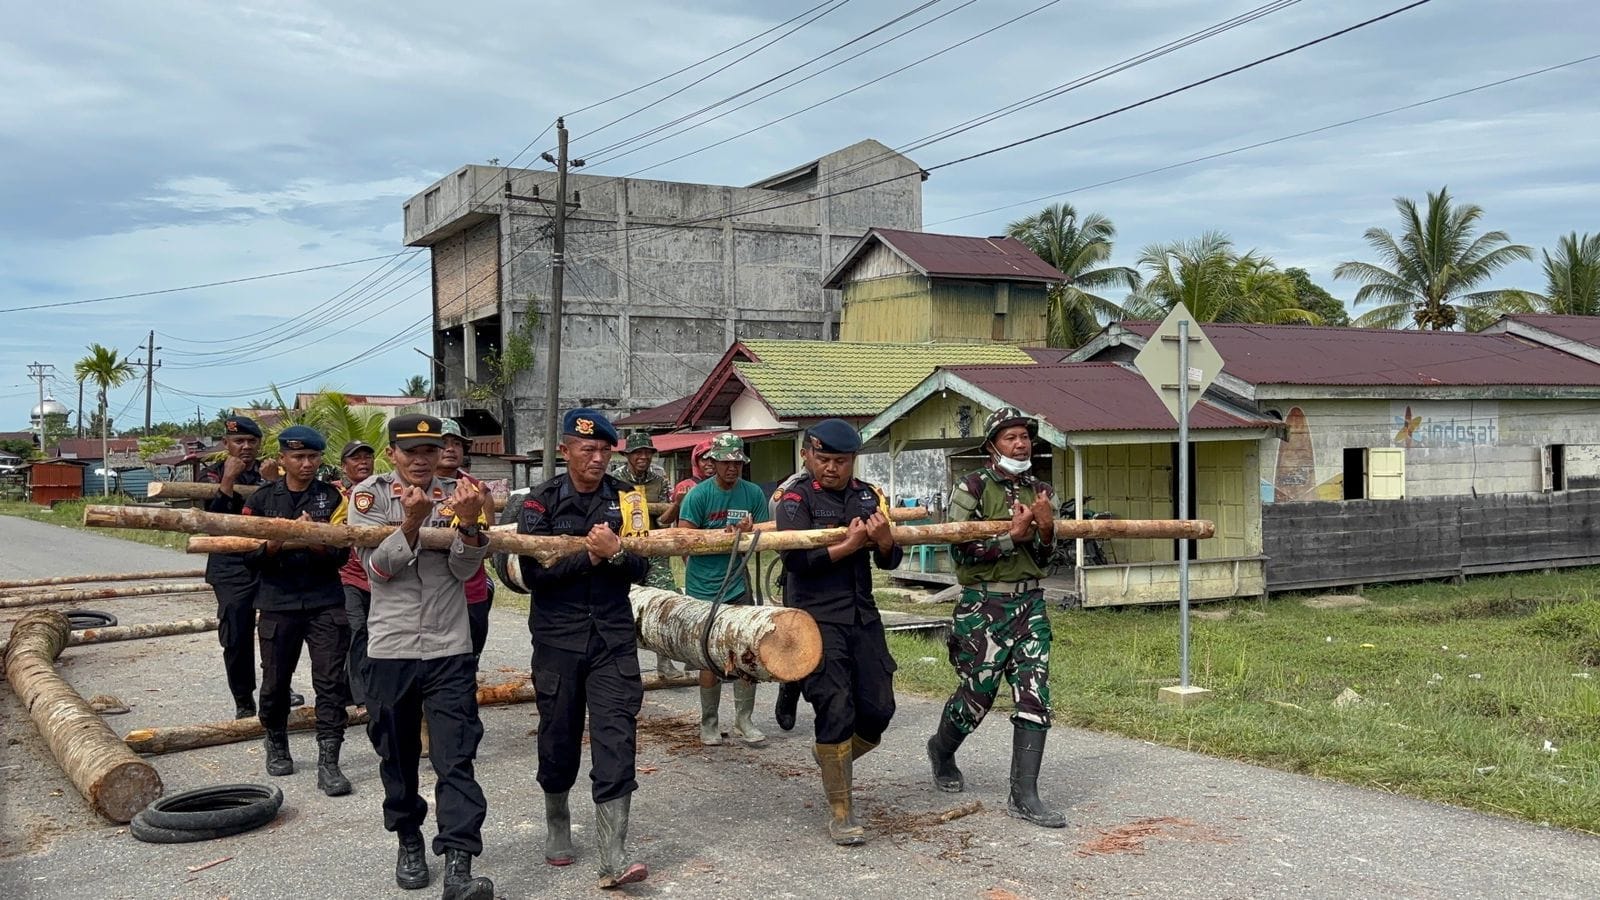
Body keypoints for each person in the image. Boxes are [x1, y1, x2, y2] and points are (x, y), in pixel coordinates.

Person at [350, 414, 495, 900]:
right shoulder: (367, 497)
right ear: (391, 453)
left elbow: (463, 567)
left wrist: (470, 524)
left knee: (456, 756)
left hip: (448, 646)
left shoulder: (460, 493)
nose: (420, 460)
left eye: (429, 451)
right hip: (391, 647)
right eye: (410, 451)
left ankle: (458, 860)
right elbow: (379, 569)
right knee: (397, 754)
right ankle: (408, 837)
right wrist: (411, 523)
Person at [516, 408, 650, 889]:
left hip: (612, 639)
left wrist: (615, 554)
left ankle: (613, 854)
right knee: (558, 736)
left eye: (604, 450)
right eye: (586, 449)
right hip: (558, 639)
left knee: (618, 737)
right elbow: (533, 574)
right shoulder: (540, 503)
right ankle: (557, 821)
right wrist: (588, 555)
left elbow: (641, 568)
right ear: (565, 450)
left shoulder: (628, 500)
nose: (596, 458)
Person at [925, 406, 1066, 829]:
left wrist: (1043, 531)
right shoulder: (970, 487)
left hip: (1031, 606)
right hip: (983, 607)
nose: (1020, 443)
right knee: (977, 697)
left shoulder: (1042, 490)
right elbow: (958, 550)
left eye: (1024, 436)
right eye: (1010, 437)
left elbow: (1047, 558)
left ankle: (1025, 794)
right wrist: (1010, 539)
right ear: (992, 446)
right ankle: (941, 750)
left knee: (1035, 695)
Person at [774, 419, 901, 846]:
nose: (831, 468)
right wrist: (847, 548)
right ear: (808, 455)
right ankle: (841, 810)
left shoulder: (868, 496)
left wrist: (883, 542)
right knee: (837, 707)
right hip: (815, 618)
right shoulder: (794, 499)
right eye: (824, 459)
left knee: (880, 709)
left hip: (862, 616)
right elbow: (795, 560)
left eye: (840, 461)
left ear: (853, 462)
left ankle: (830, 757)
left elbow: (890, 560)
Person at [239, 425, 353, 796]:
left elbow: (340, 554)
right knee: (274, 682)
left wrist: (312, 538)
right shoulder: (260, 500)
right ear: (283, 459)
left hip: (325, 602)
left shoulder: (333, 499)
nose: (307, 464)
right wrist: (282, 539)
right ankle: (276, 740)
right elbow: (248, 555)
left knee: (331, 683)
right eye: (299, 457)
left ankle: (329, 761)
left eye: (314, 457)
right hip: (277, 602)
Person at [675, 432, 771, 746]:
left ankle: (744, 720)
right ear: (712, 463)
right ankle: (709, 722)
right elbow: (684, 538)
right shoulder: (698, 496)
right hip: (704, 587)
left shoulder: (753, 493)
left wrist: (749, 531)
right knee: (708, 657)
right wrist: (708, 552)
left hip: (738, 583)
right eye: (725, 463)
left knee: (746, 652)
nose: (731, 468)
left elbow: (764, 535)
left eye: (736, 463)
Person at [201, 414, 273, 719]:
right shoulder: (211, 476)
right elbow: (213, 525)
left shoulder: (269, 472)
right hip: (230, 568)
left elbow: (281, 512)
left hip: (268, 560)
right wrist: (228, 481)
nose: (245, 446)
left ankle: (276, 687)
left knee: (277, 630)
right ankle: (243, 698)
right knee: (236, 634)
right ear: (226, 443)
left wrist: (273, 482)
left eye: (251, 441)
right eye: (238, 441)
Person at [436, 419, 494, 661]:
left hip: (470, 589)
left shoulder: (478, 490)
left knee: (469, 660)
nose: (451, 449)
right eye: (444, 443)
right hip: (433, 591)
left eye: (457, 443)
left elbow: (491, 546)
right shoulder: (415, 488)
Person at [767, 444, 815, 733]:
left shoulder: (853, 487)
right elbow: (776, 508)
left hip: (840, 575)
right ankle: (790, 688)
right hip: (802, 571)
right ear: (805, 455)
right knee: (796, 636)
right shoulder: (794, 486)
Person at [332, 439, 376, 709]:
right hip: (347, 575)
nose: (362, 463)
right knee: (357, 629)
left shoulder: (383, 491)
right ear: (343, 465)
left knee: (375, 632)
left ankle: (360, 688)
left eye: (366, 458)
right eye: (355, 459)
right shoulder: (335, 494)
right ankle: (360, 697)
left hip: (379, 574)